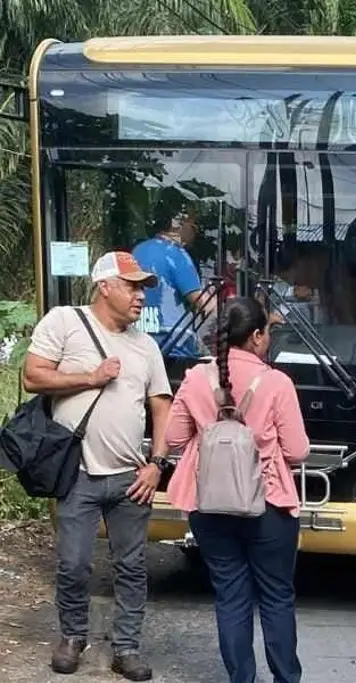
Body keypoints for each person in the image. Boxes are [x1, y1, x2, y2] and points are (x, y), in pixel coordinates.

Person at [23, 252, 173, 681]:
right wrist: (90, 377)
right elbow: (33, 377)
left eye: (143, 287)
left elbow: (161, 406)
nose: (140, 295)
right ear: (104, 286)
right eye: (132, 285)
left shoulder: (145, 345)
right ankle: (72, 636)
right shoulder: (64, 322)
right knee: (73, 564)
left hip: (131, 478)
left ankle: (126, 647)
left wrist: (157, 464)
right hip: (78, 475)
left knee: (132, 566)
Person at [162, 297, 310, 683]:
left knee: (230, 596)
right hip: (269, 504)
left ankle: (240, 678)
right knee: (276, 596)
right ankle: (285, 678)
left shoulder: (196, 379)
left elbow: (175, 438)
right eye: (268, 333)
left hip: (208, 505)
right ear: (257, 335)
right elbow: (296, 451)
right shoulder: (277, 382)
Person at [132, 187, 215, 357]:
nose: (195, 231)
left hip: (138, 340)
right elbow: (204, 305)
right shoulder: (176, 254)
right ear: (178, 223)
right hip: (174, 345)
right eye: (193, 224)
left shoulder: (137, 250)